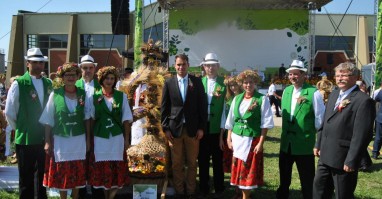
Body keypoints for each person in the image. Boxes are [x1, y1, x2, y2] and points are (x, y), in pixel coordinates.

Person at [313, 62, 375, 199]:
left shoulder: (363, 101)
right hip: (325, 154)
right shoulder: (334, 95)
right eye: (337, 75)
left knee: (343, 195)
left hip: (343, 158)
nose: (340, 78)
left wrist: (352, 160)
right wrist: (318, 144)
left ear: (355, 77)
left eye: (344, 75)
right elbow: (325, 122)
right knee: (319, 191)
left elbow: (362, 135)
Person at [5, 47, 52, 199]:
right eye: (35, 62)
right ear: (28, 63)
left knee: (42, 177)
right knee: (25, 177)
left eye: (41, 62)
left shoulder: (49, 83)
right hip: (25, 137)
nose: (38, 65)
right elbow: (10, 111)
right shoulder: (18, 84)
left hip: (45, 138)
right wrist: (20, 128)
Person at [276, 60, 325, 199]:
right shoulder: (286, 90)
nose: (292, 77)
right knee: (284, 173)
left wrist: (314, 137)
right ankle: (282, 194)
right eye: (290, 74)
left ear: (304, 75)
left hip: (304, 142)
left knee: (307, 176)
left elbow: (320, 118)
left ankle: (308, 196)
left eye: (296, 74)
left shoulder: (313, 92)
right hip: (286, 142)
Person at [161, 54, 208, 199]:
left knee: (192, 162)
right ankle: (180, 191)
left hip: (193, 129)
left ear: (188, 65)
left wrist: (201, 128)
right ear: (174, 66)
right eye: (178, 65)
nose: (181, 67)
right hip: (175, 130)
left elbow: (202, 106)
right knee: (177, 163)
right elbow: (164, 108)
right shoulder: (168, 83)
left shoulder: (197, 82)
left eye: (183, 64)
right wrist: (166, 128)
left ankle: (191, 191)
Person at [39, 62, 88, 199]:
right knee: (63, 172)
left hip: (78, 139)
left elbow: (88, 118)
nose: (70, 77)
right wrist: (47, 141)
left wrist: (88, 140)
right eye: (67, 75)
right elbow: (48, 119)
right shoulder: (55, 95)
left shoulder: (83, 95)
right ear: (62, 77)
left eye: (73, 74)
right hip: (61, 139)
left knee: (77, 172)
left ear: (78, 76)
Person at [225, 70, 274, 199]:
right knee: (238, 168)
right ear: (241, 84)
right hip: (237, 139)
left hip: (252, 140)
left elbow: (265, 123)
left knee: (246, 171)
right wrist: (229, 138)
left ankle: (246, 197)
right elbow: (231, 120)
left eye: (251, 82)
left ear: (255, 83)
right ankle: (238, 193)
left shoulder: (262, 99)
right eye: (245, 82)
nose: (248, 85)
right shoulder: (237, 98)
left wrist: (261, 143)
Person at [88, 66, 133, 199]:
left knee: (115, 169)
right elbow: (90, 119)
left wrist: (126, 139)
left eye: (112, 78)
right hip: (100, 138)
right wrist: (89, 138)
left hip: (116, 138)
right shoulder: (94, 97)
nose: (109, 81)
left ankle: (111, 197)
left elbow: (126, 119)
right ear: (101, 79)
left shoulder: (121, 96)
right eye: (107, 78)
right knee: (101, 170)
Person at [198, 53, 226, 198]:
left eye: (213, 65)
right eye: (208, 65)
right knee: (202, 160)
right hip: (202, 129)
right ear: (204, 67)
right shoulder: (198, 82)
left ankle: (219, 187)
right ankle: (203, 187)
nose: (210, 68)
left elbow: (225, 110)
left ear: (218, 66)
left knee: (217, 160)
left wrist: (222, 131)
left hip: (216, 128)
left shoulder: (224, 83)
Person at [75, 54, 102, 198]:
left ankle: (95, 188)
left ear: (95, 69)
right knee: (81, 159)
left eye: (90, 68)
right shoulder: (74, 86)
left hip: (96, 130)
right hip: (79, 130)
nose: (88, 71)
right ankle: (81, 190)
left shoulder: (101, 87)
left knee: (95, 159)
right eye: (85, 68)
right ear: (80, 69)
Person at [222, 76, 243, 174]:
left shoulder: (244, 97)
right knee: (231, 157)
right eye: (230, 86)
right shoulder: (228, 99)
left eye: (234, 85)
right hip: (229, 132)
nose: (233, 88)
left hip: (240, 132)